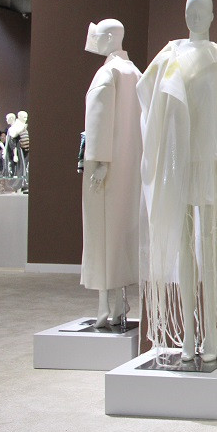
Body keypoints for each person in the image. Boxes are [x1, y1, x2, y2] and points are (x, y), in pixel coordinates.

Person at [138, 0, 217, 363]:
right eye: (189, 10)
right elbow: (148, 96)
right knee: (183, 246)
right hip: (178, 164)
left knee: (208, 246)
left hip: (209, 164)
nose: (194, 17)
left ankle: (211, 333)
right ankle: (189, 335)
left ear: (212, 16)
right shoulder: (167, 59)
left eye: (201, 11)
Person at [80, 18, 143, 327]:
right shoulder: (135, 73)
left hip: (107, 169)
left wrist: (99, 161)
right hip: (130, 169)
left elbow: (99, 119)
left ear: (108, 38)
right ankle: (117, 305)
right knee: (122, 234)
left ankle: (105, 309)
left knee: (102, 235)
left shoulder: (107, 73)